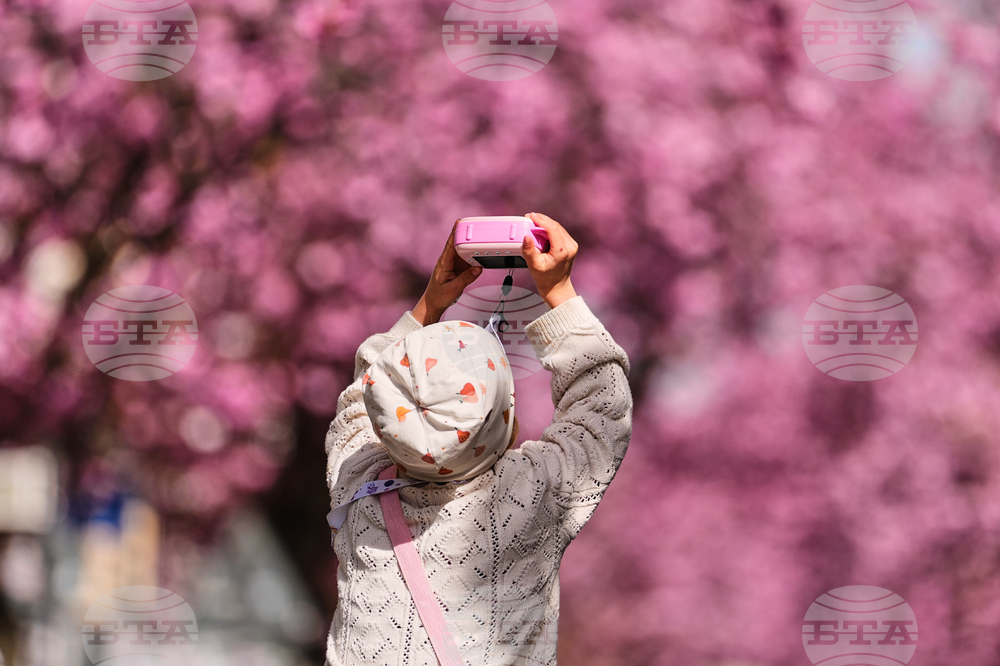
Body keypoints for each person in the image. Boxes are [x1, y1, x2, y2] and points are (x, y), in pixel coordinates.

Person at [324, 212, 633, 665]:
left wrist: (428, 305)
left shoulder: (354, 486)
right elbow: (602, 409)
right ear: (507, 421)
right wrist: (558, 291)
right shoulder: (529, 495)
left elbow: (362, 397)